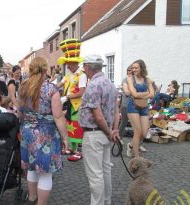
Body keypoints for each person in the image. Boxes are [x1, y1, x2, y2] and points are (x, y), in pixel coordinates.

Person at [18, 57, 68, 205]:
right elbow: (58, 116)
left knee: (32, 169)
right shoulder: (51, 89)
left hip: (27, 132)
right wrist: (65, 137)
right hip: (45, 134)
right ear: (46, 70)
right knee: (45, 173)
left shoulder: (23, 86)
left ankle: (32, 199)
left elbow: (20, 112)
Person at [78, 55, 120, 205]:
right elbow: (116, 110)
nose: (83, 69)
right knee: (105, 170)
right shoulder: (110, 83)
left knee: (96, 175)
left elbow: (98, 116)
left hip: (94, 133)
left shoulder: (93, 85)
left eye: (84, 67)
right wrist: (114, 131)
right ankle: (106, 201)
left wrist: (111, 132)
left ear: (88, 67)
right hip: (105, 134)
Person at [57, 38, 87, 161]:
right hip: (69, 103)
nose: (68, 65)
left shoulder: (82, 75)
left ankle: (80, 151)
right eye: (67, 63)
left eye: (70, 63)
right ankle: (71, 148)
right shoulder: (69, 74)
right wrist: (48, 86)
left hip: (78, 105)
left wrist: (66, 97)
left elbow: (81, 92)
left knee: (78, 126)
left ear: (75, 63)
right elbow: (60, 84)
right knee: (70, 124)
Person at [126, 60, 154, 158]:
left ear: (142, 68)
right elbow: (134, 94)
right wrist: (146, 93)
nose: (134, 70)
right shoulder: (130, 79)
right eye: (133, 68)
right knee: (137, 132)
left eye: (136, 68)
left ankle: (130, 145)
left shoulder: (147, 80)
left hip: (144, 107)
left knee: (144, 133)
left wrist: (139, 95)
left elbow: (152, 94)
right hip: (132, 106)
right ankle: (137, 157)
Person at [118, 66, 133, 142]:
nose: (129, 72)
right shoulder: (125, 80)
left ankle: (138, 142)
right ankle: (120, 137)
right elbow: (127, 93)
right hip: (126, 104)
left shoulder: (136, 80)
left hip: (135, 104)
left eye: (130, 70)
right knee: (124, 121)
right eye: (128, 70)